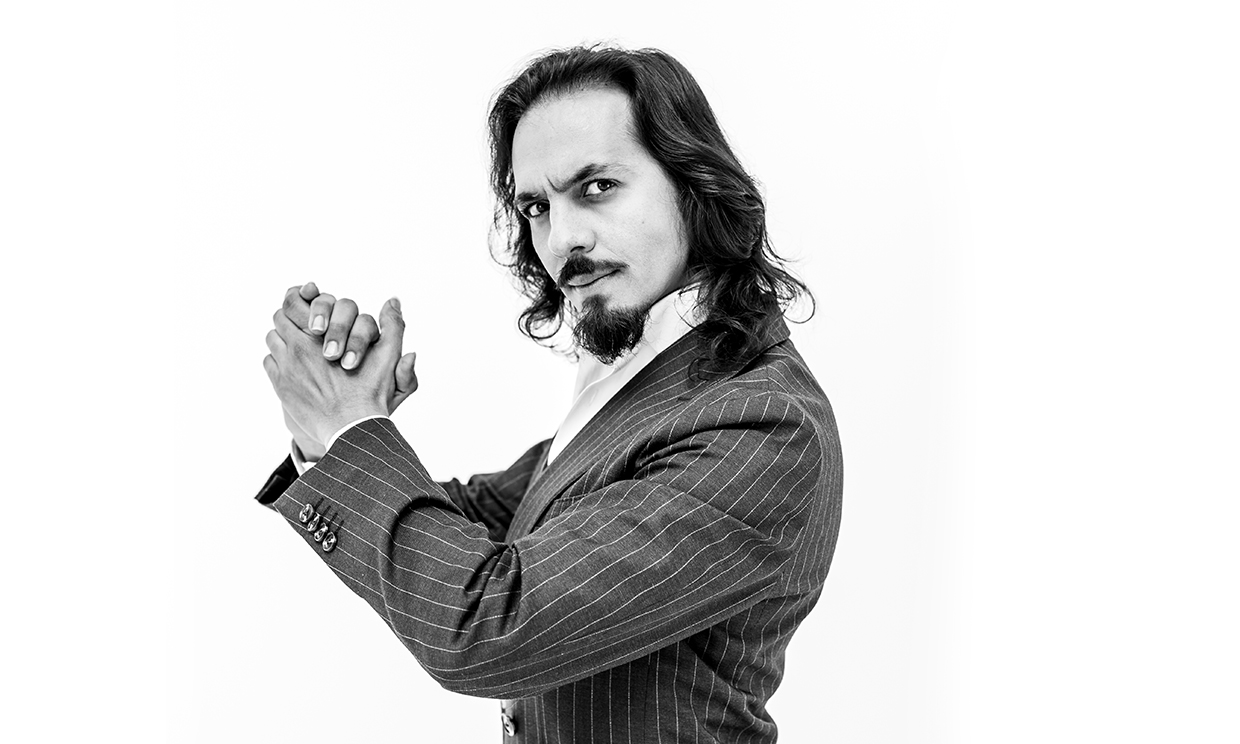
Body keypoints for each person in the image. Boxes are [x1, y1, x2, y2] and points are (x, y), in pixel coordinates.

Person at [258, 45, 843, 743]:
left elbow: (488, 628)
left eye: (597, 186)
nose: (562, 238)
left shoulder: (761, 422)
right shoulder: (646, 381)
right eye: (536, 206)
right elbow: (478, 524)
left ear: (694, 185)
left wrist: (351, 427)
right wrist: (325, 430)